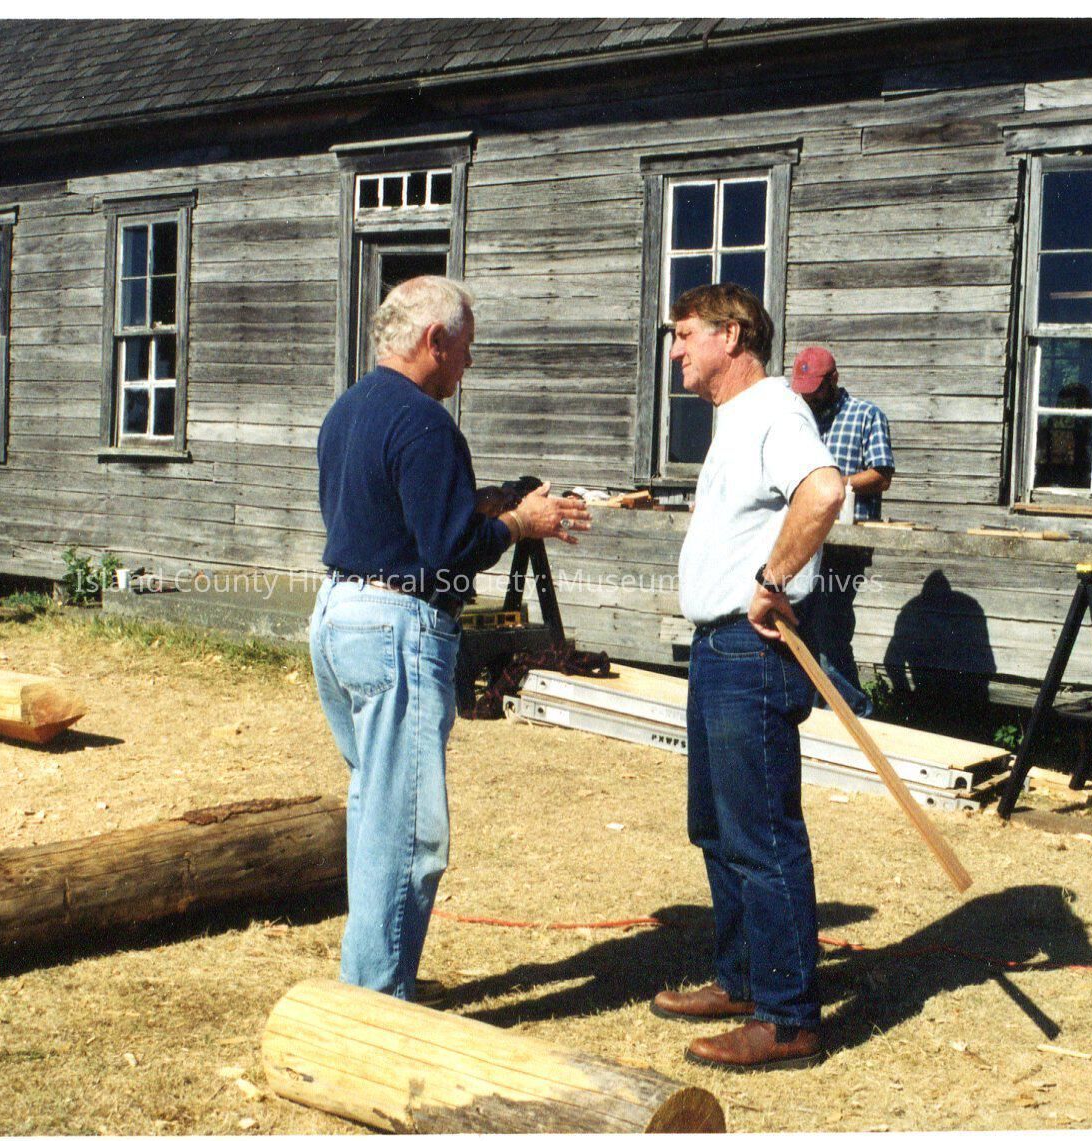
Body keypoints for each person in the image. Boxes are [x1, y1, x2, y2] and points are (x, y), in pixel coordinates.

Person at [310, 275, 590, 1000]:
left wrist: (487, 506)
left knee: (376, 808)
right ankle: (378, 1001)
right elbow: (448, 553)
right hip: (396, 627)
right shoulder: (428, 425)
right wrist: (519, 523)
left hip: (339, 615)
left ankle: (375, 979)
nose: (468, 363)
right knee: (407, 827)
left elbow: (395, 520)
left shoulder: (348, 410)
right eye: (466, 348)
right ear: (435, 340)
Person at [649, 284, 845, 1071]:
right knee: (716, 827)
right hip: (716, 648)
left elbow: (823, 491)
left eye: (684, 334)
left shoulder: (772, 410)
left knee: (760, 835)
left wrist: (772, 579)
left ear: (730, 335)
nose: (674, 350)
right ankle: (741, 981)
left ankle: (787, 1017)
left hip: (750, 650)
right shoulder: (735, 418)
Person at [789, 346, 894, 719]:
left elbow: (881, 474)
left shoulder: (865, 415)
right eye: (803, 389)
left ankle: (857, 713)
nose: (809, 396)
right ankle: (823, 715)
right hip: (804, 539)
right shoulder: (800, 419)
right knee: (804, 631)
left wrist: (836, 484)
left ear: (833, 379)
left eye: (816, 388)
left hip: (844, 545)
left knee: (828, 632)